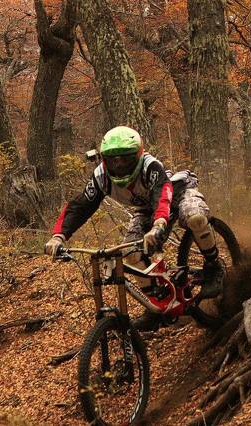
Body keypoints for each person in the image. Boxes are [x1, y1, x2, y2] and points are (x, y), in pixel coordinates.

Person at [45, 126, 225, 331]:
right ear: (105, 158)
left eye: (125, 158)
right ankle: (156, 305)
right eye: (113, 159)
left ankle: (213, 265)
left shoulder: (151, 167)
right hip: (148, 208)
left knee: (196, 218)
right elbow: (80, 206)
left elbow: (162, 195)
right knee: (130, 253)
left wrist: (158, 225)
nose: (119, 164)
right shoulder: (101, 176)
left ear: (138, 155)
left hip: (176, 195)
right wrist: (58, 236)